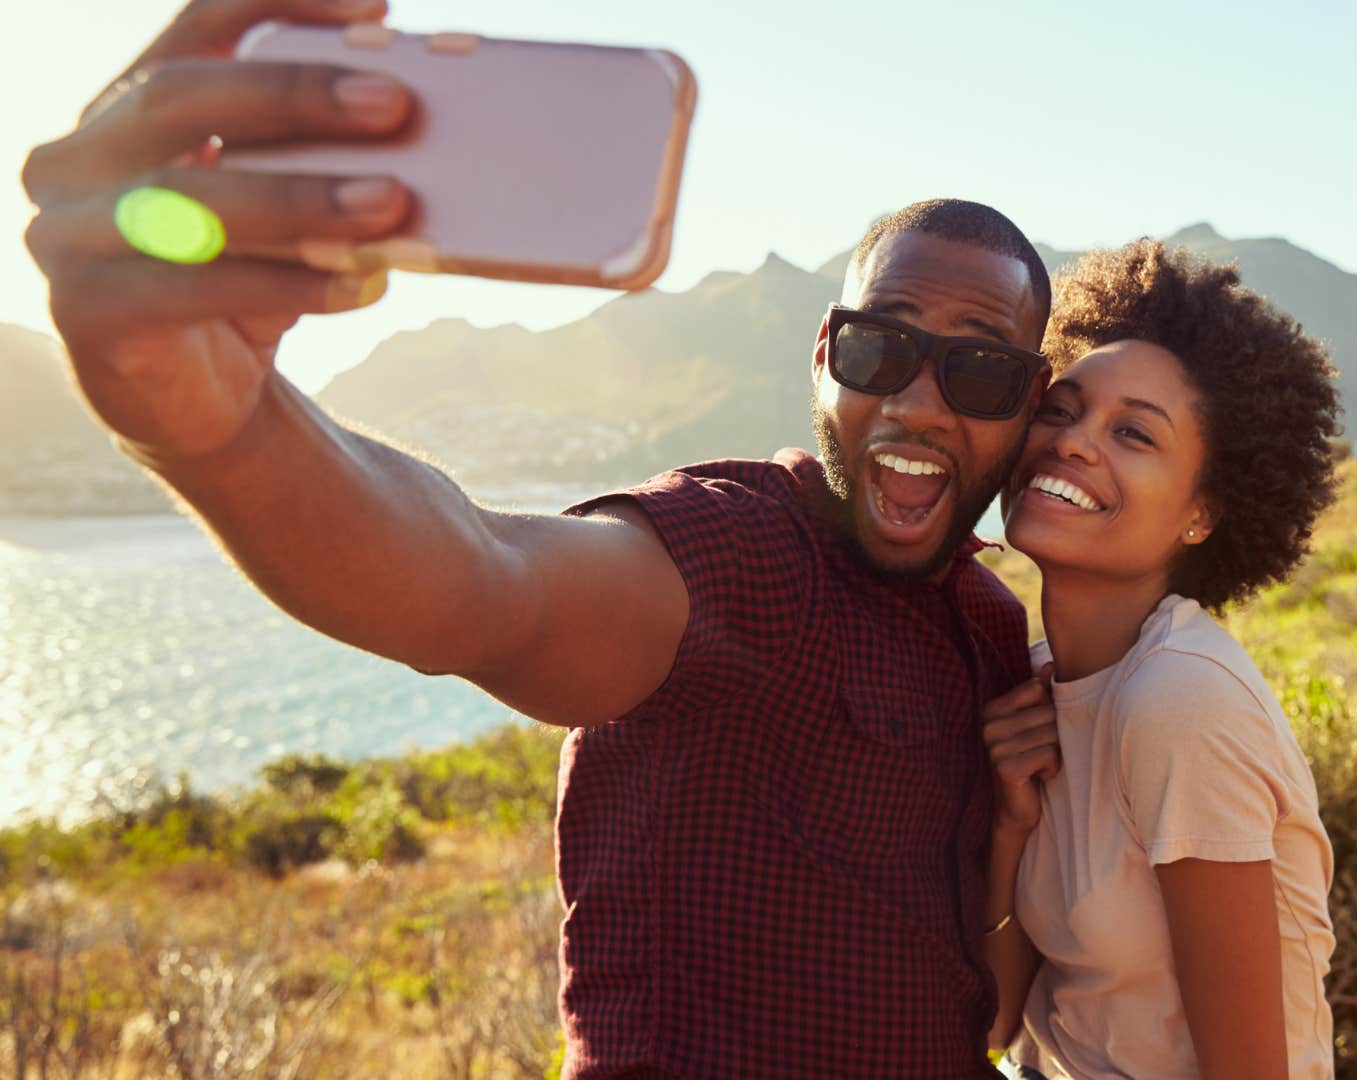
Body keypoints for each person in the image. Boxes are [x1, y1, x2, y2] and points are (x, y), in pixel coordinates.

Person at [21, 2, 1055, 1075]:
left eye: (979, 372)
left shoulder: (988, 625)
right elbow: (484, 583)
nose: (920, 407)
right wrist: (226, 432)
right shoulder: (738, 555)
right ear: (823, 358)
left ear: (1032, 404)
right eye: (881, 351)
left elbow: (975, 1009)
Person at [978, 241, 1343, 1079]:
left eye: (1134, 434)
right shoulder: (1034, 681)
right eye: (1060, 410)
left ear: (1201, 515)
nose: (1072, 443)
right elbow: (996, 1024)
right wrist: (1009, 826)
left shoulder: (1181, 701)